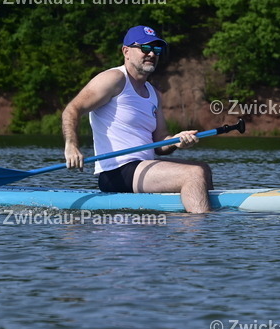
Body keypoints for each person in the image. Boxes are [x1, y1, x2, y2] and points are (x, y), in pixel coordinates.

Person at [62, 25, 214, 213]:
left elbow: (160, 144)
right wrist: (71, 145)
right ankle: (202, 234)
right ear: (126, 51)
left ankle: (197, 211)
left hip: (143, 168)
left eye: (156, 49)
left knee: (203, 169)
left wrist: (178, 141)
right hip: (115, 171)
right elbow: (72, 109)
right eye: (145, 48)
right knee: (194, 174)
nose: (151, 54)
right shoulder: (114, 79)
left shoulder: (154, 93)